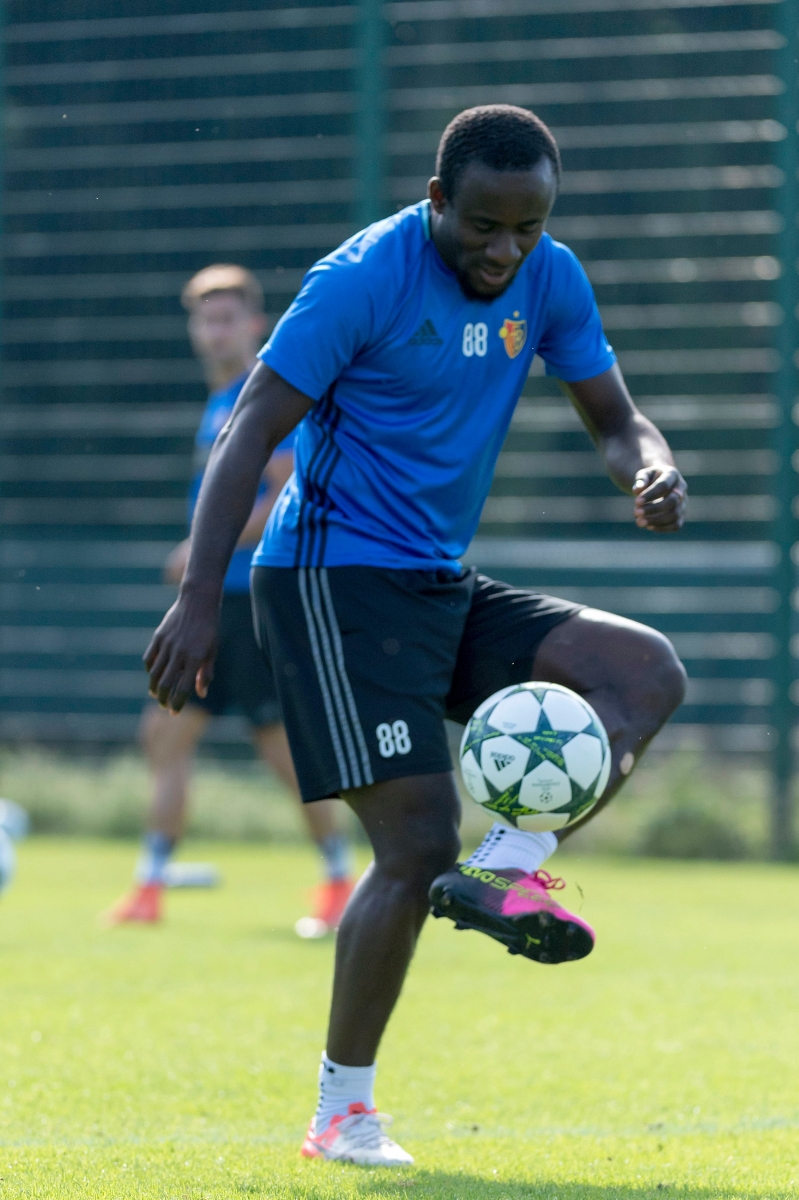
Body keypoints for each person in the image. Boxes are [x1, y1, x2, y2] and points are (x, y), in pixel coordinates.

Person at [143, 107, 688, 1165]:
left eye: (526, 228)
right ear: (436, 201)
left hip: (437, 581)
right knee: (413, 846)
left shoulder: (550, 276)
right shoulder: (360, 278)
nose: (504, 250)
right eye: (483, 225)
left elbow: (616, 419)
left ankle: (508, 866)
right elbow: (254, 422)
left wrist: (649, 469)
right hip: (328, 583)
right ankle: (341, 1111)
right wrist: (201, 596)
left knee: (641, 674)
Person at [107, 264, 354, 933]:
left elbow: (283, 492)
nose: (213, 331)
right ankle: (152, 883)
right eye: (203, 319)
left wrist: (200, 553)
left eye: (226, 318)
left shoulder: (258, 392)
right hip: (217, 601)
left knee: (279, 749)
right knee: (165, 729)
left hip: (253, 599)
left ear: (253, 324)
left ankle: (340, 879)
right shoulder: (218, 401)